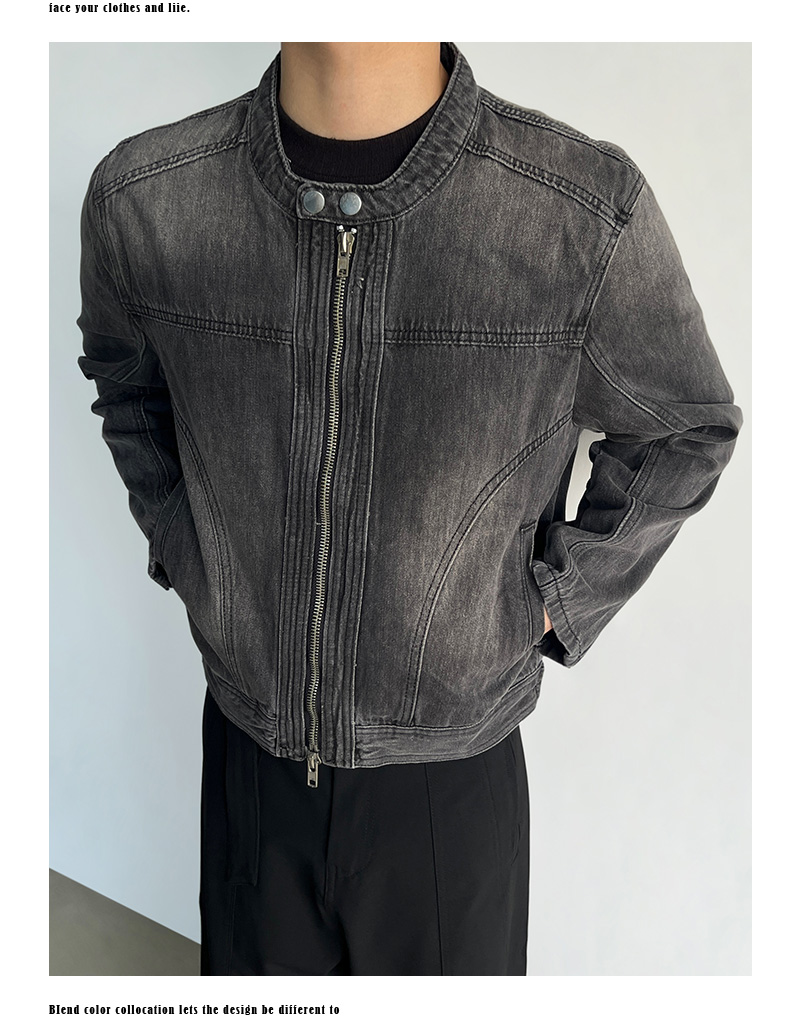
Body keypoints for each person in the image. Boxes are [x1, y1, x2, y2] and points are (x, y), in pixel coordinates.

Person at [76, 42, 742, 976]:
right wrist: (192, 554)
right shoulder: (148, 198)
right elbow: (127, 389)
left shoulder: (577, 211)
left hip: (451, 794)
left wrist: (546, 604)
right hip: (249, 762)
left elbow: (685, 426)